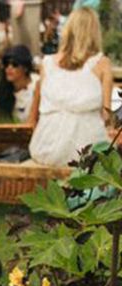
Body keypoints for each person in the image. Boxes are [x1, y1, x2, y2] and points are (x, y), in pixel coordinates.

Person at [29, 7, 113, 167]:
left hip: (46, 147)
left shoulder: (47, 63)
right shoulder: (102, 63)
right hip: (87, 149)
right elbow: (107, 115)